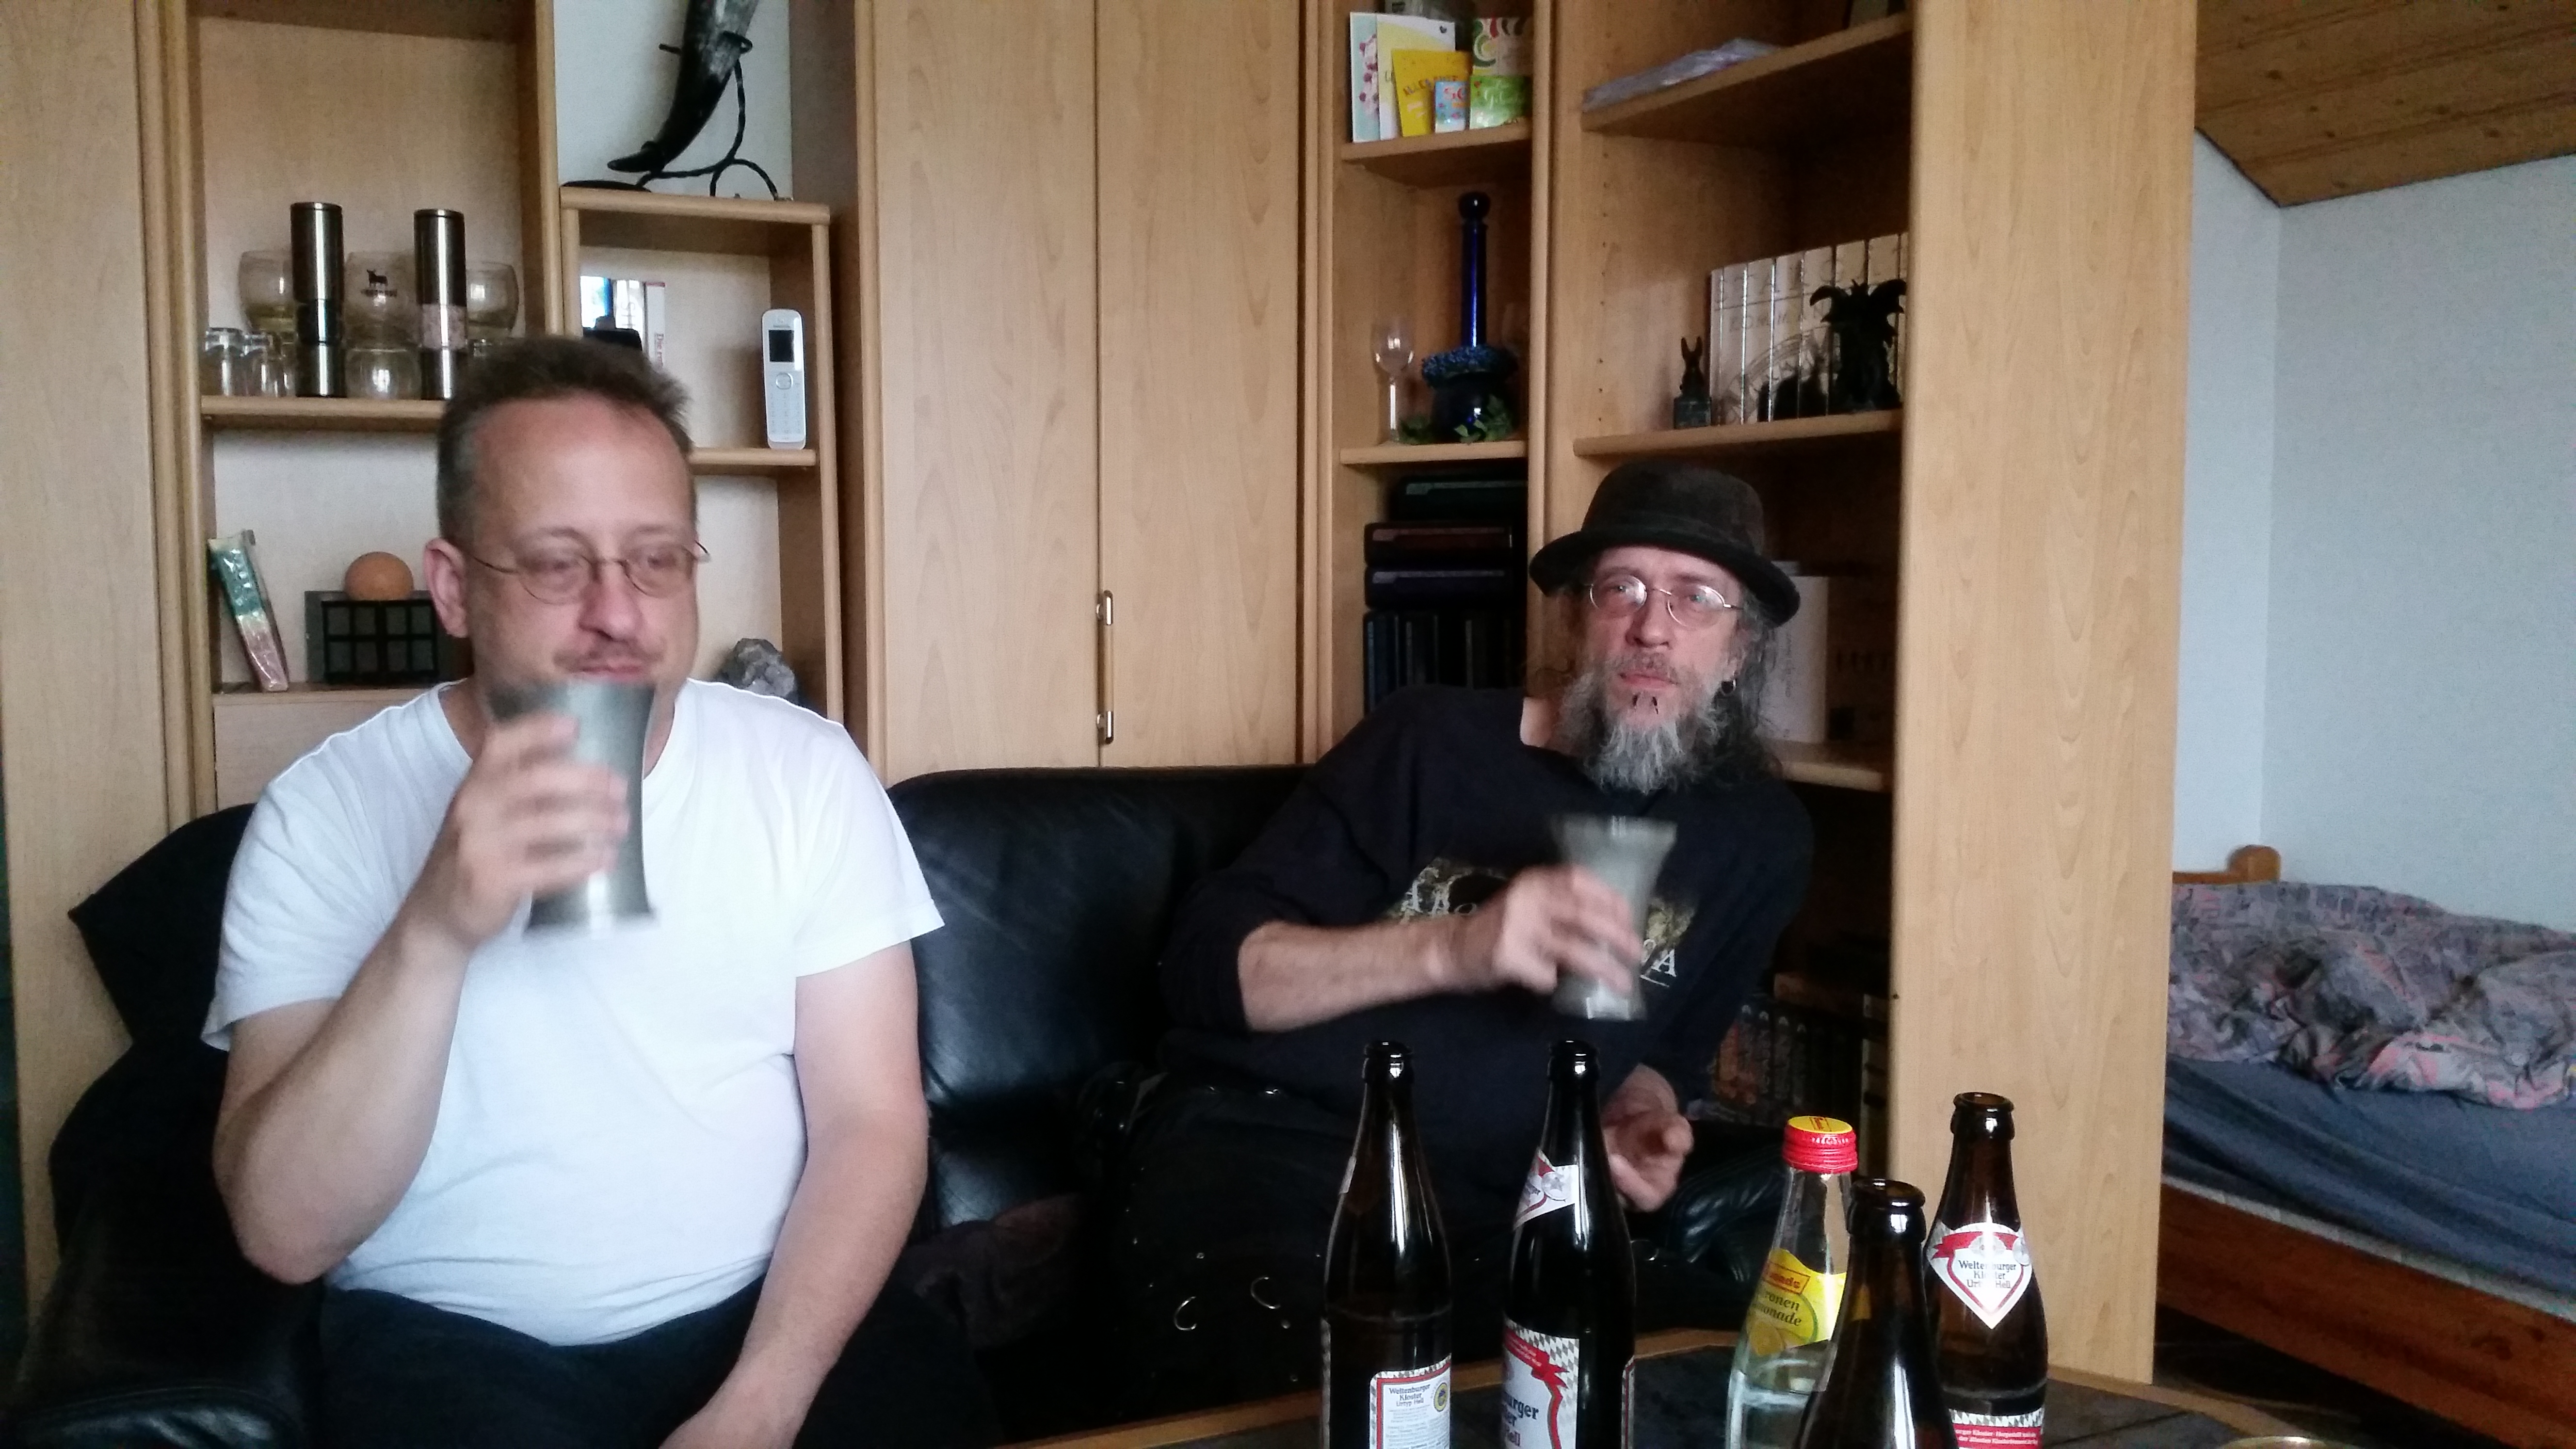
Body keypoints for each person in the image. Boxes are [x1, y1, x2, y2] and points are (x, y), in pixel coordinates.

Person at [206, 337, 997, 1449]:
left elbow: (871, 1123)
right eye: (556, 564)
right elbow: (284, 1234)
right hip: (455, 1345)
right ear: (453, 588)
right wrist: (434, 929)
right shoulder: (323, 816)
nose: (618, 614)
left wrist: (763, 1401)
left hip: (768, 1310)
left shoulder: (806, 771)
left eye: (656, 559)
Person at [1120, 460, 1815, 1411]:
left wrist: (1635, 1122)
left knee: (1757, 1383)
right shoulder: (1430, 742)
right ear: (1577, 621)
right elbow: (1203, 972)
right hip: (1273, 1152)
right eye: (1622, 588)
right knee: (1341, 1399)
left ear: (1740, 649)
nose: (1652, 627)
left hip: (1506, 1211)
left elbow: (1667, 1058)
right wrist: (1457, 947)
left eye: (1696, 598)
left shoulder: (1761, 839)